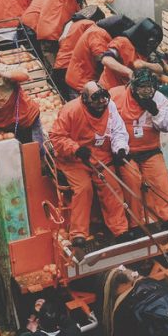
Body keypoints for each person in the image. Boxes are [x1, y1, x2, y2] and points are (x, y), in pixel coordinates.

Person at [47, 82, 130, 247]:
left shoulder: (109, 107)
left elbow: (118, 131)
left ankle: (120, 229)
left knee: (112, 186)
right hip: (73, 161)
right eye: (96, 99)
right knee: (83, 188)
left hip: (101, 157)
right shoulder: (70, 110)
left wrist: (120, 148)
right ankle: (78, 233)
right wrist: (75, 149)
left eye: (103, 98)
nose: (101, 103)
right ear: (85, 99)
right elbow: (56, 137)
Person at [109, 68, 168, 227]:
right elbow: (110, 125)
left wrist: (155, 111)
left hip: (150, 150)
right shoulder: (117, 96)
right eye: (142, 87)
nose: (147, 90)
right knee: (132, 182)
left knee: (161, 180)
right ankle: (136, 222)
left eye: (149, 87)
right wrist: (118, 149)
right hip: (127, 152)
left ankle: (167, 218)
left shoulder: (159, 99)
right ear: (133, 86)